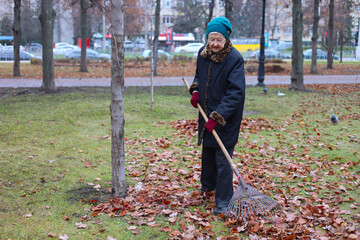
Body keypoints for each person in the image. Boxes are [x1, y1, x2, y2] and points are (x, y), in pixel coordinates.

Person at [188, 17, 246, 215]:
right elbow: (198, 76)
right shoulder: (202, 55)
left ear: (227, 39)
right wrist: (195, 91)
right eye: (211, 39)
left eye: (218, 39)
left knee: (223, 159)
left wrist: (218, 116)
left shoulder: (235, 59)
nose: (214, 44)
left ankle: (223, 201)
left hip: (226, 117)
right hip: (206, 114)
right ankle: (208, 188)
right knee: (209, 152)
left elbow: (235, 93)